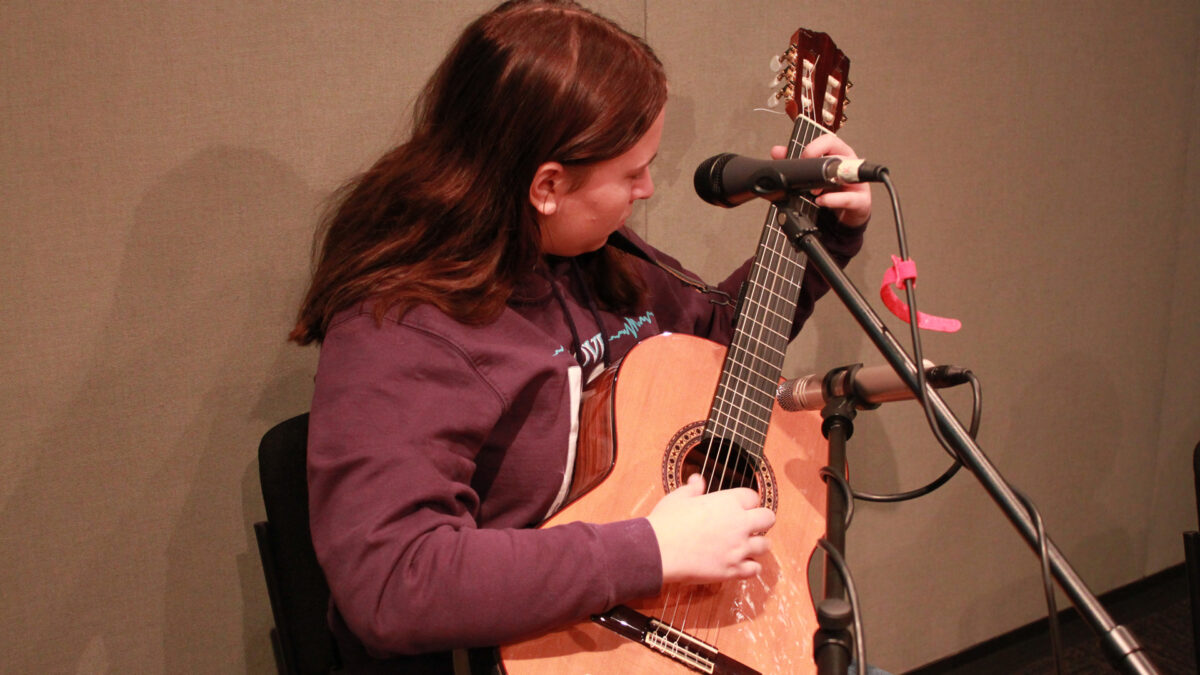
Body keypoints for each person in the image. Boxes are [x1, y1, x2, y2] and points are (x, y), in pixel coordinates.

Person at [289, 1, 871, 672]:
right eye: (631, 174)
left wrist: (822, 234)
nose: (648, 189)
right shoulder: (401, 328)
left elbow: (715, 354)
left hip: (664, 624)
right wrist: (649, 550)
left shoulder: (592, 252)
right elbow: (395, 578)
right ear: (547, 186)